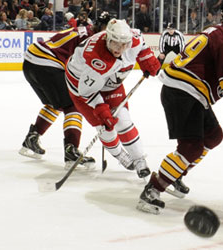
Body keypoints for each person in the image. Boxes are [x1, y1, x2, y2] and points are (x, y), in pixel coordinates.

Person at [136, 0, 223, 215]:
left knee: (213, 136)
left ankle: (175, 174)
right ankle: (152, 191)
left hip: (189, 91)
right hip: (183, 92)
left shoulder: (221, 32)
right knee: (191, 147)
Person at [64, 18, 161, 178]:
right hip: (81, 87)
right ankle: (119, 154)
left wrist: (146, 57)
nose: (120, 48)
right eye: (116, 43)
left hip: (110, 83)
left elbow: (141, 43)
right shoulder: (96, 57)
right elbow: (86, 91)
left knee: (123, 119)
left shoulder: (133, 38)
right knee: (105, 126)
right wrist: (101, 109)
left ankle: (139, 159)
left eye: (124, 44)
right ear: (107, 38)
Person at [19, 12, 112, 169]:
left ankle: (32, 138)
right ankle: (71, 150)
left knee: (55, 103)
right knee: (73, 106)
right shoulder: (92, 40)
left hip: (31, 62)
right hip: (47, 63)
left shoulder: (86, 30)